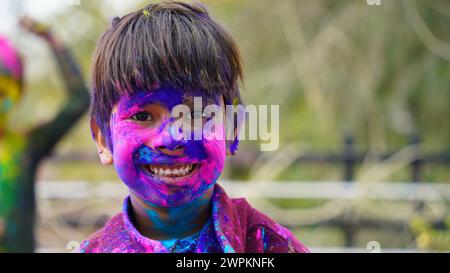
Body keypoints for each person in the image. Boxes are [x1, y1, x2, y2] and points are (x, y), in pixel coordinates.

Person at [81, 1, 308, 253]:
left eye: (197, 114)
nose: (170, 138)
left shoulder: (270, 247)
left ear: (232, 129)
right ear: (103, 138)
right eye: (143, 116)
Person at [0, 17, 90, 252]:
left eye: (1, 92)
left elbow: (78, 100)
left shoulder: (26, 145)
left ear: (16, 92)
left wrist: (53, 40)